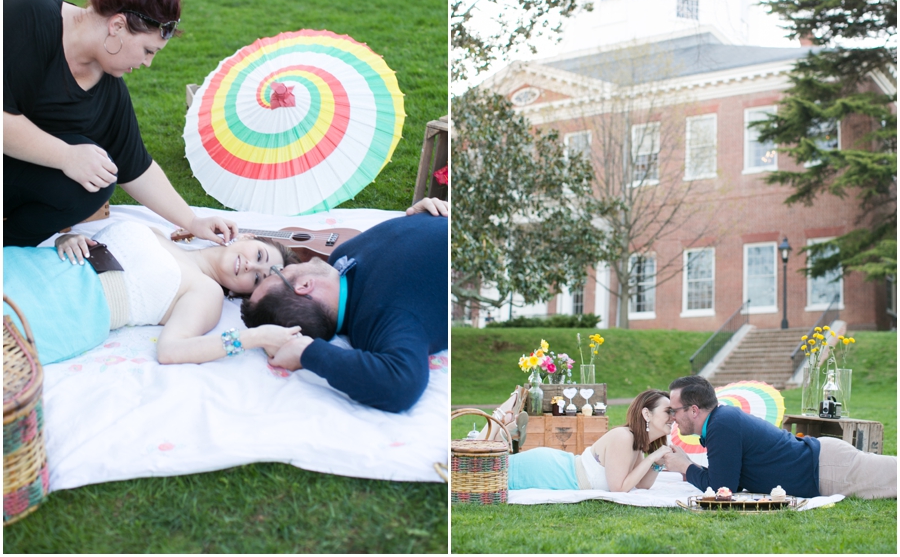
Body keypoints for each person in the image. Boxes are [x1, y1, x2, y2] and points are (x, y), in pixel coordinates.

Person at [4, 0, 237, 248]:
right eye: (147, 50)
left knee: (98, 176)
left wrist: (192, 220)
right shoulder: (30, 16)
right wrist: (65, 155)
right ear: (117, 26)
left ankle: (9, 247)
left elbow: (134, 165)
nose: (148, 63)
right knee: (78, 154)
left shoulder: (108, 88)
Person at [239, 197, 448, 413]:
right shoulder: (386, 316)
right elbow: (400, 384)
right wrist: (307, 352)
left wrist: (423, 213)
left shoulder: (341, 262)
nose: (282, 266)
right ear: (304, 286)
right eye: (278, 272)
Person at [3, 220, 303, 366]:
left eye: (256, 279)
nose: (250, 266)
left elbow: (171, 351)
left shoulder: (206, 292)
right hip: (34, 265)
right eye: (260, 256)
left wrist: (256, 337)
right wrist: (68, 238)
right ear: (248, 237)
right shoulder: (167, 234)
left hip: (65, 307)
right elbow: (94, 244)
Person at [662, 375, 897, 499]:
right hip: (821, 465)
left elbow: (723, 489)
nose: (672, 417)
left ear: (694, 410)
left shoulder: (721, 425)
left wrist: (685, 467)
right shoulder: (720, 422)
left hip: (827, 469)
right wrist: (689, 467)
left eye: (674, 410)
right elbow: (730, 480)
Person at [479, 389, 674, 492]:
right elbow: (619, 488)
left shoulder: (636, 445)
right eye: (668, 412)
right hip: (552, 471)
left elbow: (640, 485)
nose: (673, 417)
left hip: (559, 470)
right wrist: (652, 457)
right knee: (481, 465)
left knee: (489, 469)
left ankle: (503, 430)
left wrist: (657, 463)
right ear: (647, 414)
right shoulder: (624, 437)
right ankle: (499, 422)